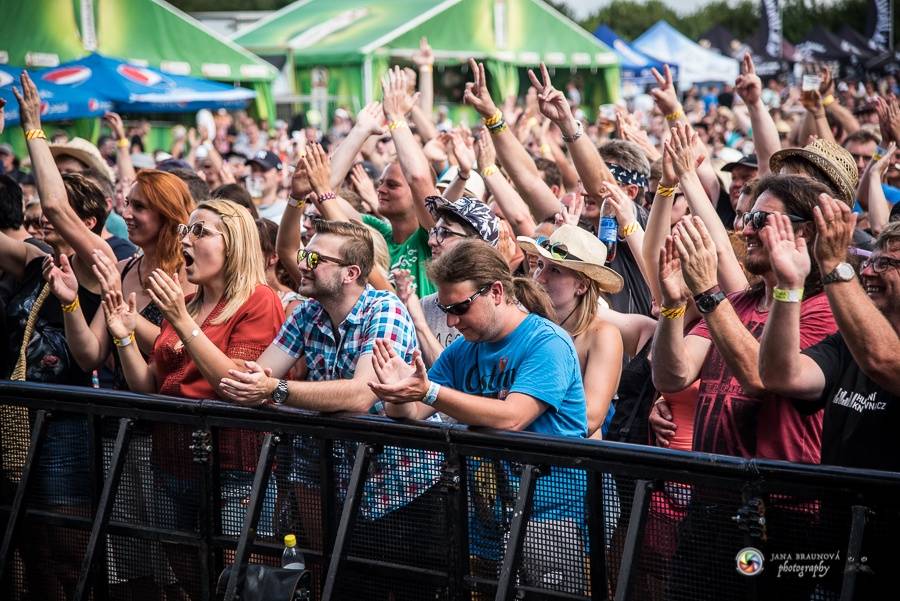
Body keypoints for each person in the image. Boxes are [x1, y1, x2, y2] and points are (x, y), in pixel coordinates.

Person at [217, 218, 438, 601]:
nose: (302, 263)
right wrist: (247, 378)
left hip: (400, 490)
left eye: (314, 258)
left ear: (351, 273)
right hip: (339, 486)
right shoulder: (307, 313)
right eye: (305, 254)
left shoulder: (383, 309)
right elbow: (259, 375)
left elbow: (361, 395)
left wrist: (275, 390)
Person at [370, 240, 589, 594]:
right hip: (485, 520)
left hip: (550, 518)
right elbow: (413, 412)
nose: (452, 321)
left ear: (496, 292)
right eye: (446, 309)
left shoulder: (547, 342)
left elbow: (512, 418)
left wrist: (428, 391)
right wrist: (398, 392)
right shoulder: (462, 350)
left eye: (460, 307)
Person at [103, 198, 284, 600]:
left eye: (199, 231)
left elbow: (235, 384)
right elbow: (148, 386)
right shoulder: (186, 305)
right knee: (195, 584)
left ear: (234, 243)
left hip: (232, 469)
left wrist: (183, 323)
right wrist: (124, 336)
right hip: (170, 464)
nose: (185, 239)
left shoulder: (259, 299)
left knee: (238, 586)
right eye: (186, 230)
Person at [757, 200, 900, 599]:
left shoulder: (874, 353)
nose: (868, 272)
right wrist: (789, 288)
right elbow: (780, 375)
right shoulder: (846, 346)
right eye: (868, 261)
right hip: (840, 552)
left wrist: (836, 265)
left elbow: (884, 361)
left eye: (885, 264)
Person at [42, 169, 195, 389]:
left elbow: (176, 349)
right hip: (118, 405)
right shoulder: (123, 270)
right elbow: (89, 356)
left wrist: (120, 304)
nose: (126, 214)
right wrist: (70, 302)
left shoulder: (189, 274)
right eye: (127, 204)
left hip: (165, 406)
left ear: (167, 214)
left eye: (139, 207)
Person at [518, 225, 624, 438]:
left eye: (555, 270)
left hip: (574, 453)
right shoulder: (524, 323)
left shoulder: (602, 335)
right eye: (540, 265)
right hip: (522, 446)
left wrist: (516, 415)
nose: (539, 278)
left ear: (582, 286)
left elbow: (590, 419)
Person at [393, 194, 500, 366]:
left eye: (446, 233)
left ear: (477, 243)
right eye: (434, 231)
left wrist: (420, 324)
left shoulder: (495, 306)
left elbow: (458, 379)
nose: (431, 241)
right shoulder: (424, 305)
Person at [245, 150, 286, 223]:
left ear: (279, 175)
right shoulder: (243, 207)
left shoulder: (286, 210)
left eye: (263, 169)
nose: (256, 174)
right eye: (254, 169)